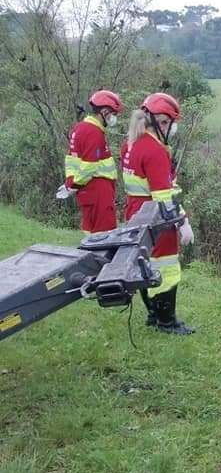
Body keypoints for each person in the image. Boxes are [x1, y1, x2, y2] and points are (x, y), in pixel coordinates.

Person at [121, 93, 195, 335]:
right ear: (162, 121)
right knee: (166, 268)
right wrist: (182, 222)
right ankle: (166, 321)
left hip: (136, 213)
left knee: (145, 265)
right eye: (172, 123)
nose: (174, 129)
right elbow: (163, 195)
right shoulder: (155, 150)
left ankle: (153, 315)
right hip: (157, 218)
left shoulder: (130, 144)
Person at [57, 90, 124, 234]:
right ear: (105, 112)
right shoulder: (94, 132)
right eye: (113, 114)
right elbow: (89, 165)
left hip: (87, 191)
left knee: (89, 230)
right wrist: (73, 184)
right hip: (98, 190)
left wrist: (71, 182)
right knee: (105, 235)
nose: (114, 118)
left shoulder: (79, 128)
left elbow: (71, 160)